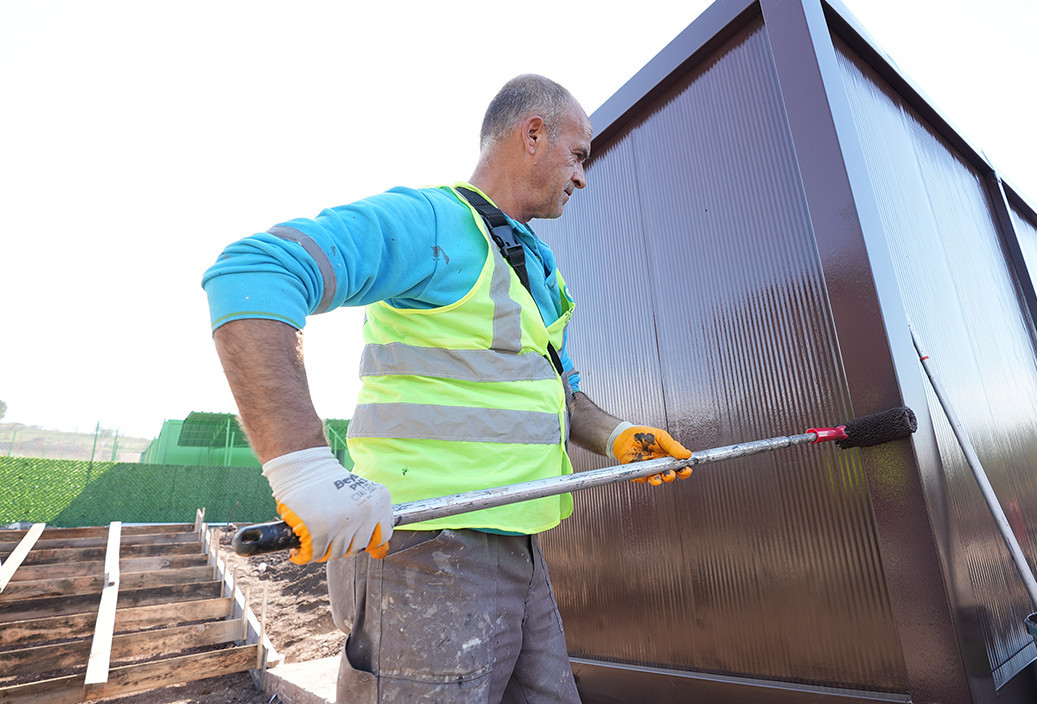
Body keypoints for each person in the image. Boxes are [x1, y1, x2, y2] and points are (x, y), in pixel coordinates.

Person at [203, 74, 693, 703]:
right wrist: (301, 470)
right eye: (578, 155)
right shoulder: (434, 223)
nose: (582, 176)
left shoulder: (532, 265)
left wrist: (619, 435)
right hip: (427, 550)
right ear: (533, 134)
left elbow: (557, 395)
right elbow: (254, 273)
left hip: (520, 551)